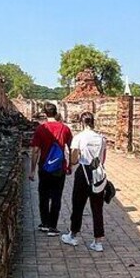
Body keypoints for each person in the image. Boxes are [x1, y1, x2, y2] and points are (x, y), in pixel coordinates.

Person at [61, 112, 107, 252]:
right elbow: (103, 158)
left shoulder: (79, 137)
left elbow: (74, 160)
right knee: (97, 208)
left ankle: (73, 235)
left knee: (78, 205)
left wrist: (74, 156)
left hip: (83, 171)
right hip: (98, 172)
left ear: (82, 122)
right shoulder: (101, 138)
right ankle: (98, 241)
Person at [30, 103, 73, 236]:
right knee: (56, 196)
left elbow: (36, 150)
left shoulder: (41, 129)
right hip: (59, 167)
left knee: (43, 196)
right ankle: (53, 227)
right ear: (56, 112)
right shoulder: (65, 129)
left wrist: (32, 170)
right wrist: (70, 165)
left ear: (44, 113)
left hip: (44, 166)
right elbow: (72, 148)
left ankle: (44, 223)